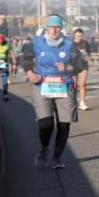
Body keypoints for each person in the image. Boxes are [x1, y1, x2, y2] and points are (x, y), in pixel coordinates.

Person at [20, 15, 80, 169]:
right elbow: (25, 59)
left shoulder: (69, 44)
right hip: (42, 85)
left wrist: (67, 68)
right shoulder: (36, 42)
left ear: (61, 28)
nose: (54, 30)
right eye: (52, 27)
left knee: (64, 125)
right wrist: (30, 74)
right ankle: (44, 148)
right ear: (46, 28)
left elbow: (78, 65)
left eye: (58, 27)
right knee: (46, 124)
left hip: (64, 86)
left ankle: (57, 157)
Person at [70, 28, 92, 110]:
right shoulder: (70, 44)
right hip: (73, 66)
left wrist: (87, 56)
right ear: (74, 36)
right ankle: (73, 100)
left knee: (82, 84)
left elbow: (88, 54)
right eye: (77, 36)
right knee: (74, 85)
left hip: (83, 65)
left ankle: (82, 102)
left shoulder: (85, 43)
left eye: (81, 36)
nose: (79, 37)